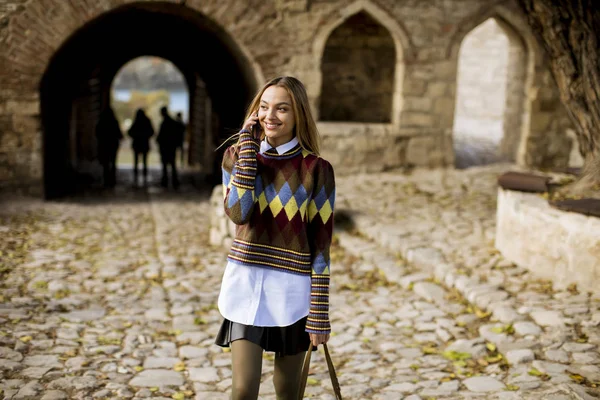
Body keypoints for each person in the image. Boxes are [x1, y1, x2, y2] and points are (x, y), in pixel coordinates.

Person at [214, 76, 336, 400]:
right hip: (246, 283)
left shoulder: (317, 170)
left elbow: (322, 246)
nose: (271, 116)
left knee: (288, 391)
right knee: (242, 390)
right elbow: (238, 213)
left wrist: (320, 311)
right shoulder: (235, 156)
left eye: (282, 108)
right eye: (264, 107)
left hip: (292, 292)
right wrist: (248, 153)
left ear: (298, 115)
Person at [95, 107, 123, 188]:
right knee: (113, 162)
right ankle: (112, 179)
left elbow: (97, 132)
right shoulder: (114, 122)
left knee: (106, 163)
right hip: (113, 145)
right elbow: (119, 133)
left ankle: (106, 179)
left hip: (104, 145)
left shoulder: (101, 122)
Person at [128, 109, 154, 186]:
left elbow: (130, 132)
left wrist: (136, 136)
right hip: (144, 144)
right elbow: (152, 132)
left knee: (136, 161)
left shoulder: (136, 121)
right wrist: (145, 136)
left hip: (137, 144)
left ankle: (136, 176)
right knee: (144, 161)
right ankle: (144, 175)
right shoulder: (147, 121)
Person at [156, 106, 180, 189]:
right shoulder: (172, 122)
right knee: (172, 164)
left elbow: (160, 136)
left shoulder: (164, 123)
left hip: (166, 147)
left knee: (166, 165)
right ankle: (174, 181)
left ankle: (166, 181)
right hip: (171, 147)